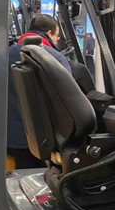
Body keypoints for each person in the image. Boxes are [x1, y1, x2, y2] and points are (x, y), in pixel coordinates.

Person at [8, 14, 71, 168]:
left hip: (5, 136)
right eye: (57, 36)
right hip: (37, 141)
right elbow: (67, 102)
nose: (57, 40)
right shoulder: (54, 59)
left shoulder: (5, 54)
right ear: (49, 33)